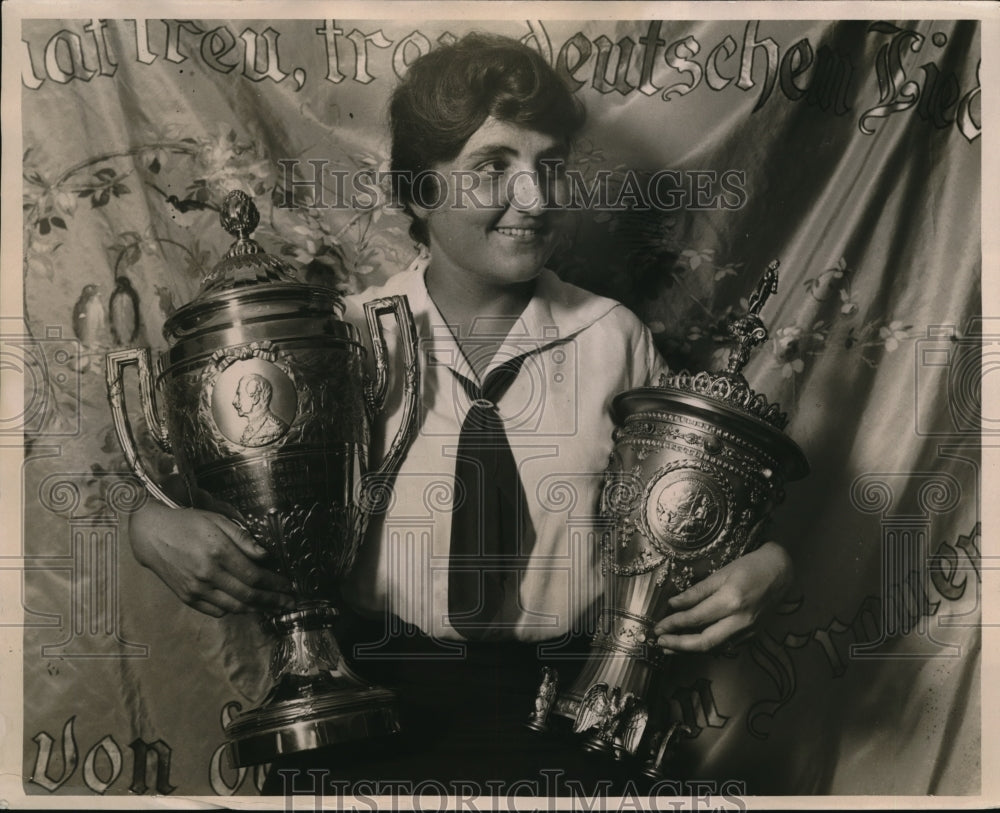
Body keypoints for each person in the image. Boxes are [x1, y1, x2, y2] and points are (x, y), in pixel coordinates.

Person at [128, 33, 794, 796]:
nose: (534, 199)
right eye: (492, 167)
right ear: (418, 190)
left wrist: (771, 564)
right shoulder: (335, 339)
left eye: (549, 166)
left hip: (569, 715)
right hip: (367, 710)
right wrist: (148, 526)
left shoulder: (616, 338)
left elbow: (689, 508)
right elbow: (215, 480)